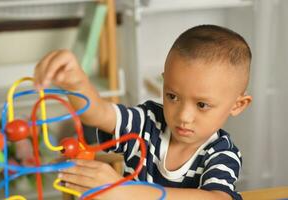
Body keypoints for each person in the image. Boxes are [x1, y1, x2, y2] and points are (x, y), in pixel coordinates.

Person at [34, 24, 252, 200]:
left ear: (237, 105)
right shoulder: (148, 122)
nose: (183, 116)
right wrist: (76, 83)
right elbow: (99, 114)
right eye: (172, 96)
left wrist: (124, 191)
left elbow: (216, 198)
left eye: (202, 105)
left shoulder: (221, 153)